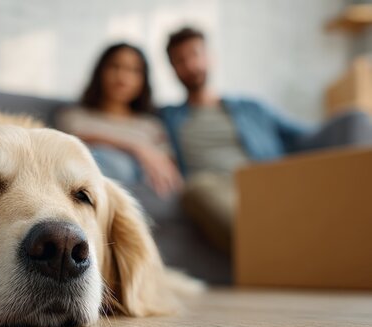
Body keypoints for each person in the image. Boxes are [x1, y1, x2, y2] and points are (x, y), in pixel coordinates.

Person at [159, 27, 372, 253]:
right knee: (195, 187)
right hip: (215, 189)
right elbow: (124, 123)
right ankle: (277, 248)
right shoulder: (167, 117)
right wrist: (142, 150)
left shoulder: (250, 108)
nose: (191, 65)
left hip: (264, 182)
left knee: (355, 118)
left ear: (210, 57)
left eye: (195, 54)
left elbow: (305, 136)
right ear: (173, 69)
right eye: (180, 60)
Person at [57, 43, 181, 197]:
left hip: (141, 191)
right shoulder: (75, 115)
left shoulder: (151, 126)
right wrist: (136, 147)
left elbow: (167, 169)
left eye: (133, 70)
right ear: (100, 72)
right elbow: (67, 144)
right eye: (115, 67)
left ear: (143, 80)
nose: (122, 76)